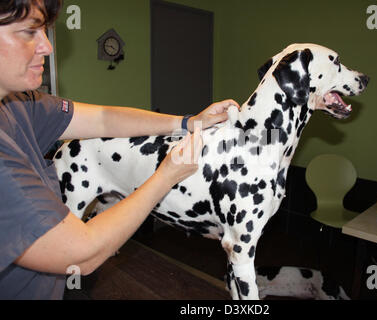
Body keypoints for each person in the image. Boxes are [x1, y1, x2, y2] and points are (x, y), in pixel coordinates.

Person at [0, 0, 239, 299]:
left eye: (45, 31)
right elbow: (82, 255)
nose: (47, 47)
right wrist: (166, 175)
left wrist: (188, 122)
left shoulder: (20, 104)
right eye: (29, 32)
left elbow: (103, 119)